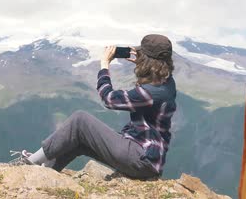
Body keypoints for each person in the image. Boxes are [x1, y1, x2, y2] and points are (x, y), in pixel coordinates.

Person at [9, 34, 177, 179]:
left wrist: (104, 65)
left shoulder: (150, 93)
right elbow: (153, 85)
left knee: (80, 120)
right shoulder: (167, 83)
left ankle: (30, 163)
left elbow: (109, 99)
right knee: (79, 141)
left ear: (148, 61)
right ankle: (46, 171)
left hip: (140, 157)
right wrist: (143, 64)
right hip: (148, 159)